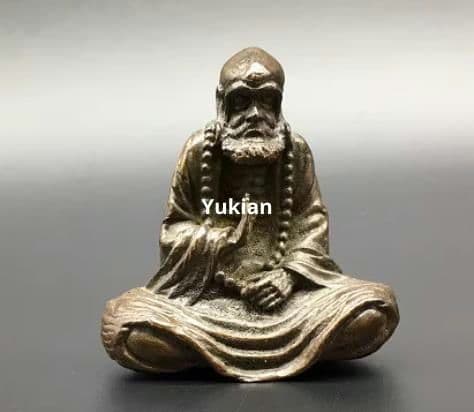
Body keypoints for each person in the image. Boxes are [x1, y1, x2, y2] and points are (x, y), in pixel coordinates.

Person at [101, 47, 399, 382]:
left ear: (279, 103)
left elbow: (310, 224)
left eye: (266, 101)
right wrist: (220, 240)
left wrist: (288, 277)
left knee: (375, 308)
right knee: (126, 328)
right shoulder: (200, 151)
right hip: (213, 301)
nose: (255, 114)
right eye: (242, 101)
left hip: (288, 304)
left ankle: (216, 355)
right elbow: (174, 229)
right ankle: (277, 351)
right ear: (222, 103)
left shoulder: (295, 151)